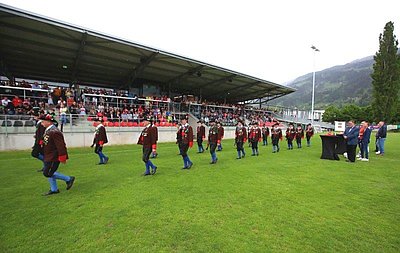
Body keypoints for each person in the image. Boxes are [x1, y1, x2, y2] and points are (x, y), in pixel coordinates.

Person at [39, 114, 75, 196]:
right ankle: (54, 189)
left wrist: (62, 156)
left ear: (48, 122)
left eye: (43, 121)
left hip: (53, 156)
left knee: (47, 172)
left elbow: (61, 145)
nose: (42, 123)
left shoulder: (55, 131)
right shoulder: (49, 130)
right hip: (48, 155)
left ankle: (68, 179)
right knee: (50, 171)